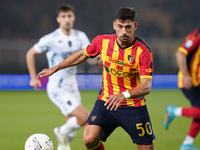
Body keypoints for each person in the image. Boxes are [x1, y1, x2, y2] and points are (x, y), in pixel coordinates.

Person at [37, 7, 155, 150]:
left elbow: (146, 86)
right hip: (106, 102)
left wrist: (123, 95)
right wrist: (56, 68)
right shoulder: (103, 41)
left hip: (133, 107)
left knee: (147, 149)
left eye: (128, 27)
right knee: (89, 140)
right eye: (120, 27)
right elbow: (82, 54)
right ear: (114, 26)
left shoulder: (142, 51)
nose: (124, 31)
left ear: (135, 26)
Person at [26, 4, 90, 150]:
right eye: (63, 16)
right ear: (58, 19)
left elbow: (90, 54)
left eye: (69, 16)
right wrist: (33, 77)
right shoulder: (51, 38)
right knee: (85, 117)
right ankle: (59, 132)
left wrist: (96, 60)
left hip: (73, 85)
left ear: (74, 17)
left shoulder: (80, 36)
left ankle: (62, 145)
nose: (67, 19)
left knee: (70, 130)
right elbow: (30, 53)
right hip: (58, 87)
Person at [163, 28, 200, 150]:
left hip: (197, 81)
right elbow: (179, 53)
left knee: (199, 113)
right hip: (189, 81)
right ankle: (173, 111)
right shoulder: (197, 35)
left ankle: (187, 144)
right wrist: (186, 75)